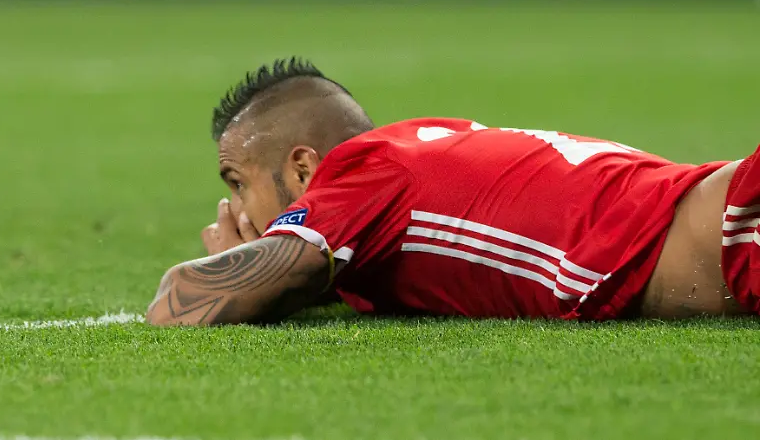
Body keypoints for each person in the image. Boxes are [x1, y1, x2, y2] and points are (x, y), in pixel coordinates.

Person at [146, 58, 760, 326]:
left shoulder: (357, 174)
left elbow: (179, 302)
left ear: (305, 169)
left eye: (237, 183)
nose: (235, 209)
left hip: (737, 230)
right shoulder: (414, 152)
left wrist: (225, 267)